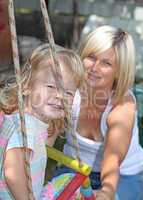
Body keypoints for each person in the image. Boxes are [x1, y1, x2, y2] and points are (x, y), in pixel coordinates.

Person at [54, 25, 143, 200]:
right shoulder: (70, 91)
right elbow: (49, 133)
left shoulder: (122, 105)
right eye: (91, 57)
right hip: (75, 168)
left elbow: (113, 160)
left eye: (106, 63)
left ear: (119, 71)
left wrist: (107, 191)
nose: (95, 67)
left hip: (123, 176)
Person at [0, 43, 84, 200]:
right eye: (51, 86)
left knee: (69, 182)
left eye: (68, 92)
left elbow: (42, 148)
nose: (60, 96)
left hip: (31, 192)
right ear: (26, 85)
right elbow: (12, 173)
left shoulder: (32, 119)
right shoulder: (25, 128)